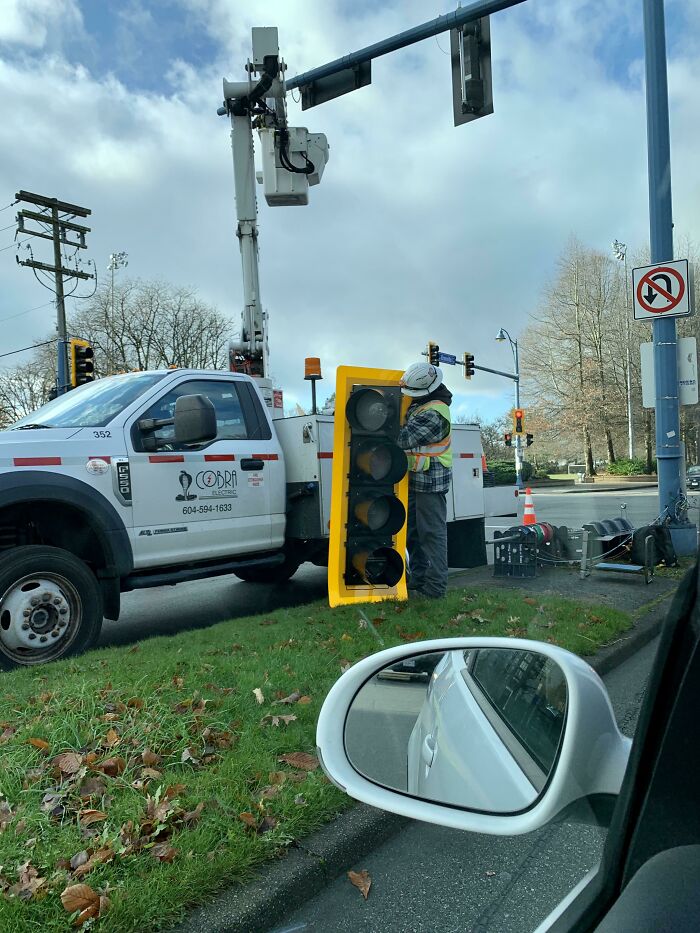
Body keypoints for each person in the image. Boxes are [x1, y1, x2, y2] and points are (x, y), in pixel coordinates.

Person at [397, 361, 453, 599]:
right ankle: (419, 578)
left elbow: (403, 439)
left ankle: (435, 588)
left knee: (431, 533)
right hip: (417, 479)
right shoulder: (423, 405)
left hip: (431, 481)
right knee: (413, 533)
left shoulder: (435, 412)